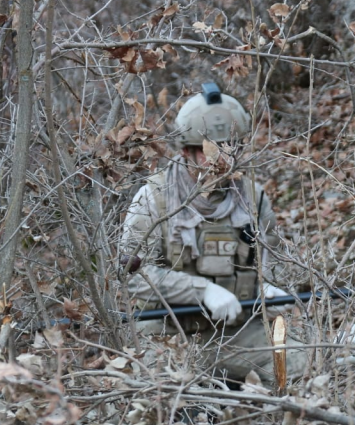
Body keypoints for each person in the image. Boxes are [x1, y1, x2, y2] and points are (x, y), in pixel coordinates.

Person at [120, 83, 305, 386]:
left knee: (299, 365)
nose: (224, 159)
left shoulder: (253, 197)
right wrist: (202, 291)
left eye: (232, 147)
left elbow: (272, 260)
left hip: (239, 333)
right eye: (212, 149)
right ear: (186, 150)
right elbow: (133, 275)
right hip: (169, 336)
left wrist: (270, 290)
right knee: (160, 401)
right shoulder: (153, 197)